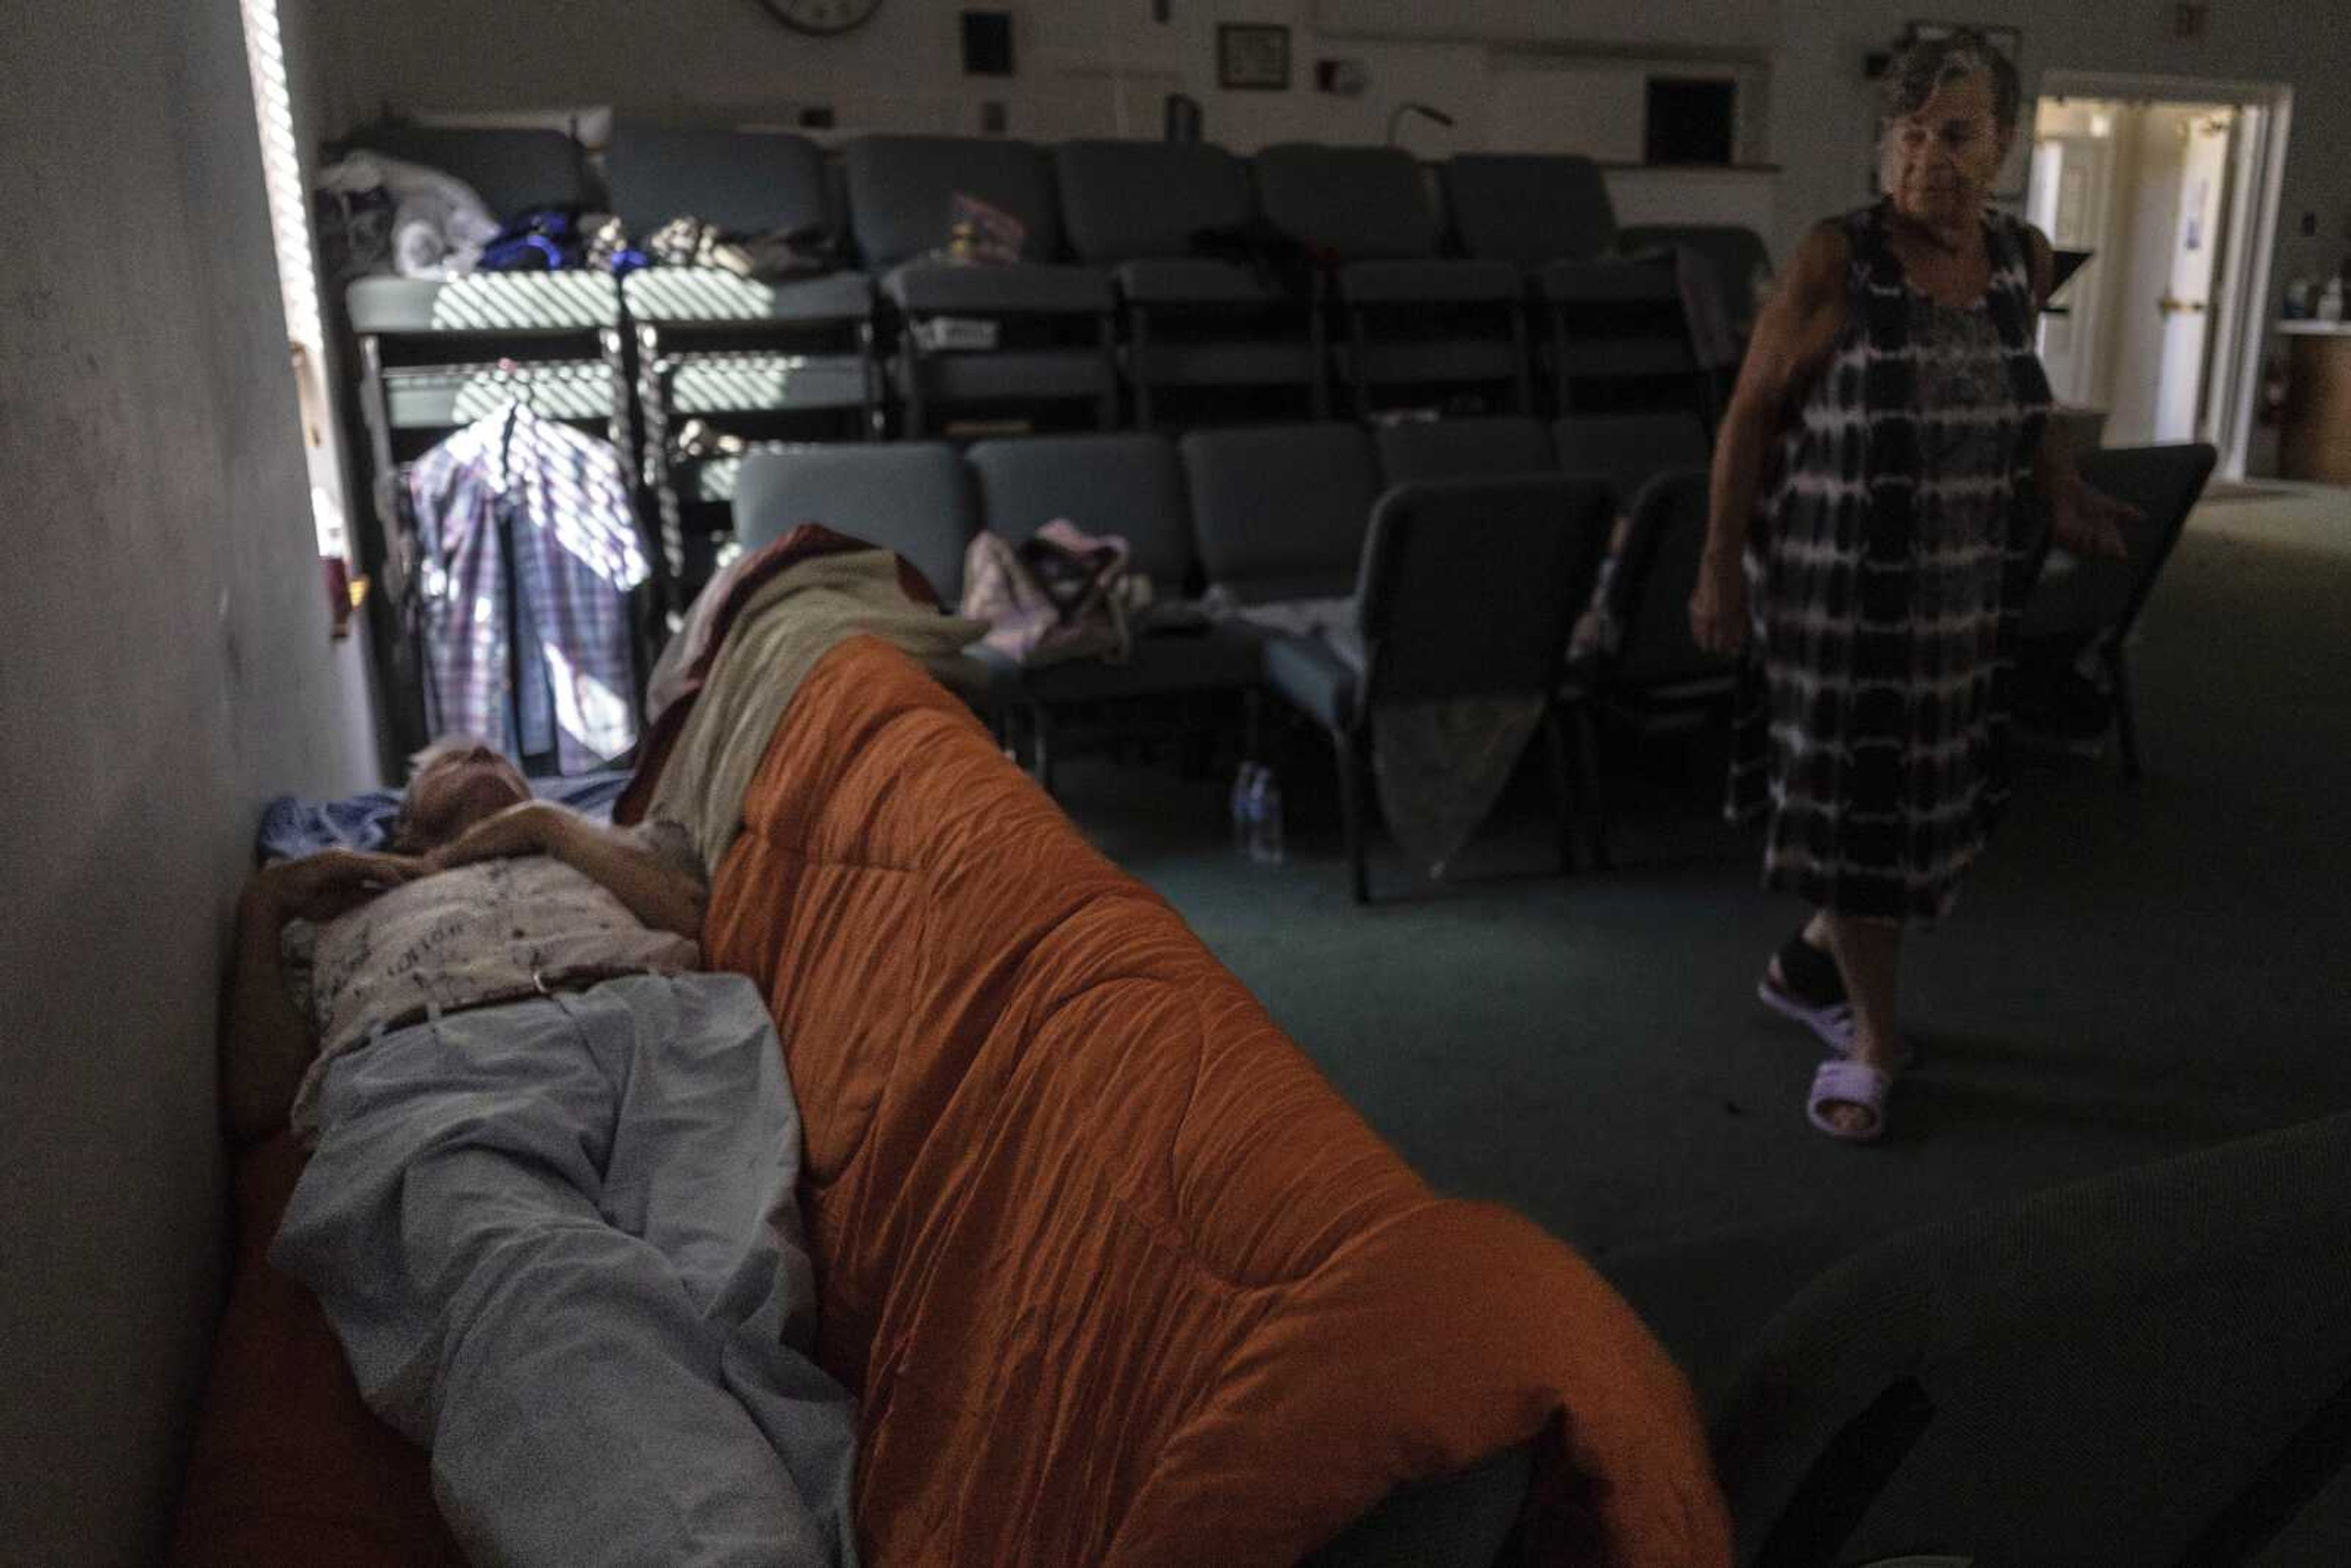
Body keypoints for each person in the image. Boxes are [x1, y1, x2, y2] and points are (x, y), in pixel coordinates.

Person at [222, 738, 860, 1567]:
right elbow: (257, 1099)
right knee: (539, 1291)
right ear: (406, 821)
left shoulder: (599, 841)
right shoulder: (335, 914)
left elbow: (687, 916)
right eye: (452, 756)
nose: (483, 746)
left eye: (499, 754)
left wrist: (546, 826)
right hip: (440, 1056)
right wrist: (265, 907)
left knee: (743, 1301)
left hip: (664, 1023)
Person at [1688, 31, 2139, 1142]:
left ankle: (1806, 967)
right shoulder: (1836, 257)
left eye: (1953, 132)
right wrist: (1717, 571)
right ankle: (1874, 1040)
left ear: (2006, 144)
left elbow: (2020, 395)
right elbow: (1748, 417)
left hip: (1956, 599)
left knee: (1919, 818)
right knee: (1866, 825)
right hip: (1833, 593)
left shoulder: (2019, 260)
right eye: (1904, 132)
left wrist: (2062, 487)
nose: (1925, 155)